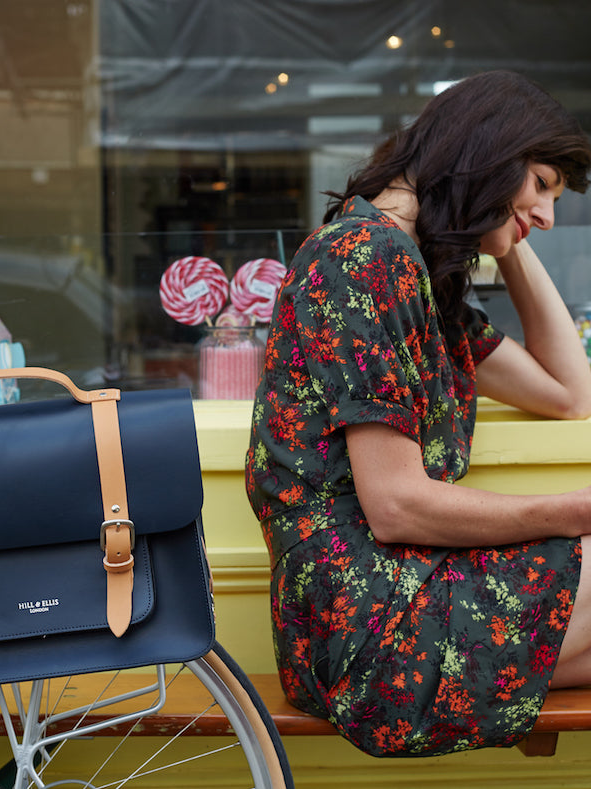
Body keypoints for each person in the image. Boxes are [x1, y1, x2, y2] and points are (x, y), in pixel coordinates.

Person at [245, 70, 591, 757]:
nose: (550, 215)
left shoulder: (416, 275)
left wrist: (509, 231)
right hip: (370, 628)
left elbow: (570, 392)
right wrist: (576, 512)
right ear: (491, 151)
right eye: (542, 184)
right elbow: (396, 505)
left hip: (400, 596)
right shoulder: (362, 259)